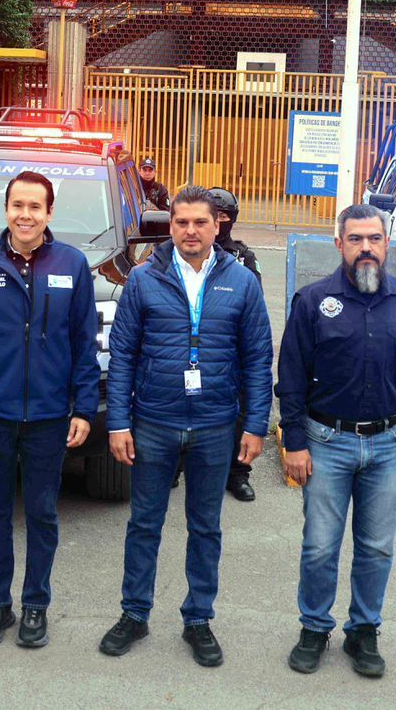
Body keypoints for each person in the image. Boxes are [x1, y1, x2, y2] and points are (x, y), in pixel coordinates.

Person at [98, 187, 273, 668]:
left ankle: (198, 618)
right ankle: (134, 614)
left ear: (217, 226)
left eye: (200, 222)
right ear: (169, 226)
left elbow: (259, 358)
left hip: (216, 424)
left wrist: (255, 424)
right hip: (153, 420)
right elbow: (124, 354)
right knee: (144, 524)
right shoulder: (143, 279)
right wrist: (118, 422)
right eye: (181, 223)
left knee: (206, 527)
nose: (190, 231)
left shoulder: (241, 282)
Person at [0, 171, 100, 651]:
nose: (25, 215)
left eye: (35, 207)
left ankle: (35, 605)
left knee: (44, 513)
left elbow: (84, 345)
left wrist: (84, 408)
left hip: (49, 416)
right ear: (5, 210)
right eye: (17, 206)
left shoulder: (72, 264)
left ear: (49, 213)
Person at [277, 203, 396, 679]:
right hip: (327, 441)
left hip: (390, 443)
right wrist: (295, 442)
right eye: (355, 239)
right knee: (320, 546)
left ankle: (363, 632)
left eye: (373, 238)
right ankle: (313, 627)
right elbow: (289, 377)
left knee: (377, 547)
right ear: (339, 245)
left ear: (387, 244)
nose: (365, 247)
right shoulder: (312, 301)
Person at [209, 187, 261, 502]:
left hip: (232, 346)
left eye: (226, 217)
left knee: (239, 411)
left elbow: (254, 305)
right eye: (215, 216)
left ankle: (237, 473)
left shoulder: (243, 256)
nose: (220, 222)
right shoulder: (184, 251)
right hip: (193, 343)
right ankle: (175, 467)